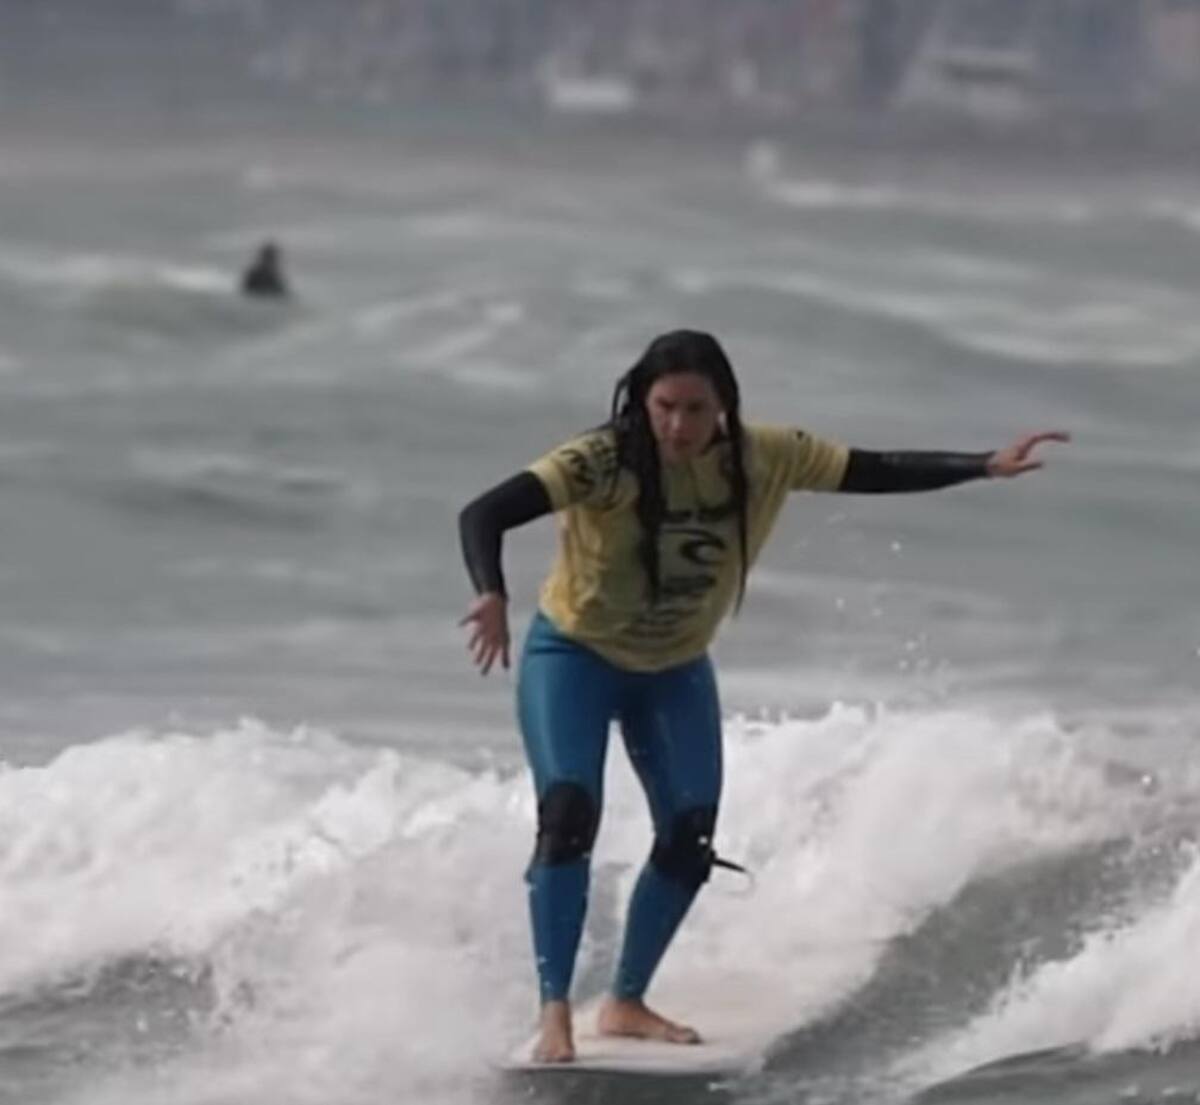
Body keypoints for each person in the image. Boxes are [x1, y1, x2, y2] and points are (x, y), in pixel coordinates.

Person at [457, 329, 1068, 1064]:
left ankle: (625, 1001)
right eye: (663, 406)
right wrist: (491, 592)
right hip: (574, 658)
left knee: (689, 838)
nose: (677, 425)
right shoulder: (601, 458)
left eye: (695, 409)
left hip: (675, 666)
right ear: (640, 401)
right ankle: (554, 1011)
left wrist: (983, 465)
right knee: (568, 813)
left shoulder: (764, 455)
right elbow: (483, 513)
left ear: (724, 407)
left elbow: (872, 469)